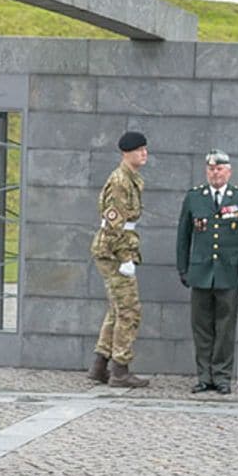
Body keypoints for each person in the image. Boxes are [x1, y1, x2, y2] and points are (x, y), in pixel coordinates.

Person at [177, 150, 238, 395]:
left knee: (226, 327)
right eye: (211, 169)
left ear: (228, 171)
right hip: (201, 271)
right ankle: (204, 376)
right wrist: (183, 268)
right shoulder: (195, 197)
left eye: (219, 169)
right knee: (202, 326)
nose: (215, 173)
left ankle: (222, 376)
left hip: (228, 272)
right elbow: (183, 235)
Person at [89, 131, 149, 388]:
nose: (144, 154)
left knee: (116, 310)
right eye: (139, 150)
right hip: (114, 252)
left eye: (145, 149)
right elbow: (114, 225)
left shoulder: (130, 178)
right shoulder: (120, 181)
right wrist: (125, 258)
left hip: (118, 249)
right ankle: (120, 370)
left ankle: (100, 365)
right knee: (129, 311)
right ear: (126, 153)